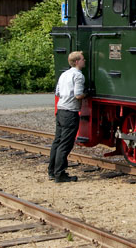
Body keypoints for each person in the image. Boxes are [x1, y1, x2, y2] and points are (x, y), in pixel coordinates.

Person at [48, 51, 87, 183]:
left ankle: (52, 171)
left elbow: (58, 92)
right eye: (82, 59)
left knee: (57, 141)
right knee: (65, 144)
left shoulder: (64, 74)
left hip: (60, 110)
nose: (84, 61)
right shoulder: (78, 75)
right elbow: (78, 95)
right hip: (70, 112)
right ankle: (60, 174)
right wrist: (86, 94)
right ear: (77, 62)